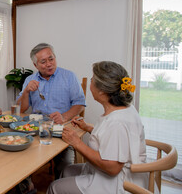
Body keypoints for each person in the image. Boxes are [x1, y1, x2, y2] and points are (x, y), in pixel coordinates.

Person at [47, 61, 148, 194]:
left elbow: (112, 168)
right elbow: (113, 139)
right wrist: (88, 128)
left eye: (92, 80)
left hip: (117, 183)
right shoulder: (125, 108)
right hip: (121, 174)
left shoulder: (117, 121)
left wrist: (76, 143)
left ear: (101, 91)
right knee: (67, 170)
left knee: (54, 187)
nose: (90, 83)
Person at [17, 43, 86, 178]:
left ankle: (61, 187)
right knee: (20, 154)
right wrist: (26, 92)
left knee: (65, 165)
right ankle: (26, 185)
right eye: (43, 62)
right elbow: (21, 108)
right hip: (36, 129)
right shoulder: (30, 80)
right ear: (35, 65)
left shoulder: (69, 76)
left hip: (62, 128)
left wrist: (64, 116)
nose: (49, 64)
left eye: (51, 59)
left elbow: (80, 104)